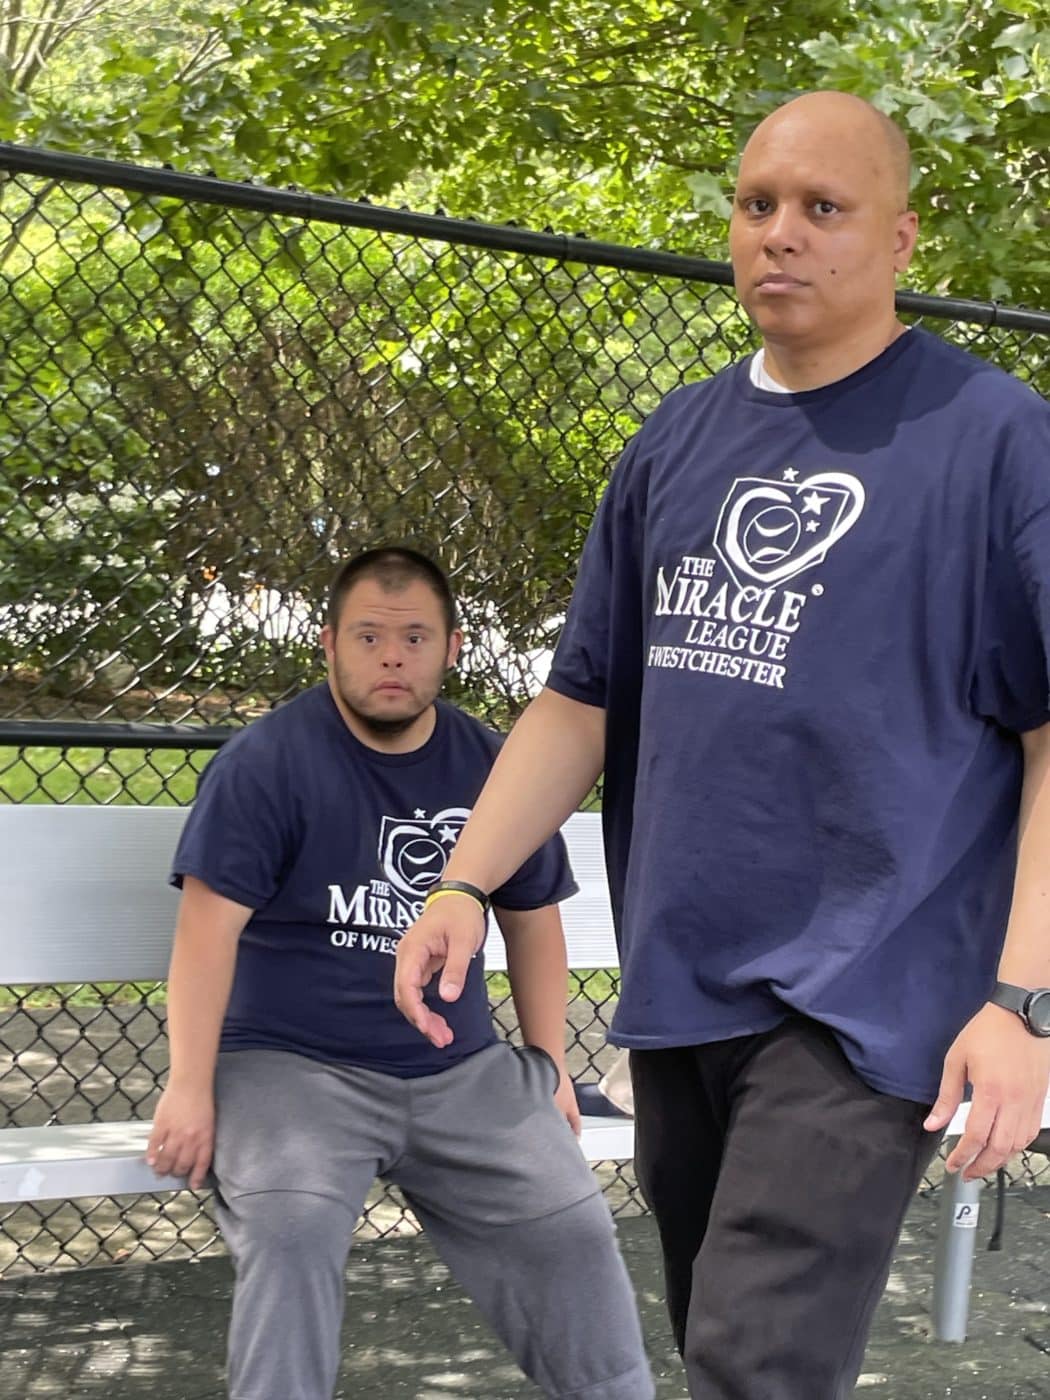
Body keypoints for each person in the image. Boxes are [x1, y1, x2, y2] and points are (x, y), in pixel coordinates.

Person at [394, 90, 1050, 1399]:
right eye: (757, 204)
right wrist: (464, 879)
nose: (779, 233)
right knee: (720, 1338)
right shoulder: (674, 441)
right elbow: (580, 702)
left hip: (866, 997)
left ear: (901, 237)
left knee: (752, 1360)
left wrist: (1019, 1004)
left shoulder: (992, 441)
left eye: (823, 207)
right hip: (683, 984)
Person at [145, 546, 653, 1400]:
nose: (391, 658)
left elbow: (533, 922)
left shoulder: (494, 766)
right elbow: (204, 936)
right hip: (293, 1069)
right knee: (292, 1226)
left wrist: (550, 1064)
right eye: (369, 637)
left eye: (414, 638)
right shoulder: (267, 763)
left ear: (452, 648)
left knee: (571, 1229)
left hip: (463, 1071)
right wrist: (189, 1086)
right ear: (328, 643)